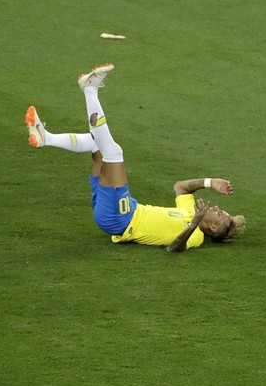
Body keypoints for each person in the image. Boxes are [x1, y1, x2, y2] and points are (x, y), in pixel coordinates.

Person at [25, 63, 246, 252]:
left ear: (213, 228)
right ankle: (47, 137)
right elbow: (180, 187)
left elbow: (173, 248)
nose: (217, 209)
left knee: (114, 152)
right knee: (97, 146)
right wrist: (210, 182)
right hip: (122, 209)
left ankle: (89, 90)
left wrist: (193, 225)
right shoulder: (189, 210)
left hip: (122, 219)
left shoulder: (196, 236)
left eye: (221, 214)